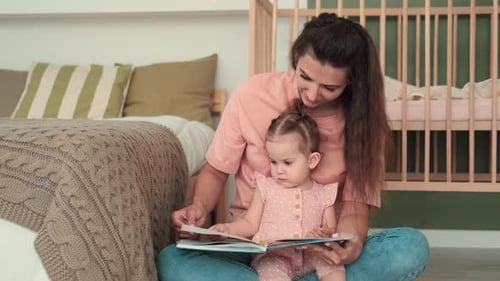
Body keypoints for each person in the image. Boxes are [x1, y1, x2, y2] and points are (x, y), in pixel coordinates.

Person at [157, 12, 430, 281]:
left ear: (351, 82)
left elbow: (355, 207)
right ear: (295, 59)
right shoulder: (252, 95)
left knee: (410, 247)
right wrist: (200, 207)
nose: (312, 95)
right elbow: (216, 169)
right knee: (172, 260)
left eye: (329, 88)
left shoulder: (364, 124)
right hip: (253, 244)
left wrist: (351, 246)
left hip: (320, 253)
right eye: (305, 77)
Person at [210, 100, 345, 281]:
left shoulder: (323, 193)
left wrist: (325, 234)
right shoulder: (266, 187)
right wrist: (226, 229)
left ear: (311, 160)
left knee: (333, 265)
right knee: (270, 272)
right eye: (273, 161)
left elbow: (330, 229)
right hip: (274, 257)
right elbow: (250, 223)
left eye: (287, 163)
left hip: (311, 255)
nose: (278, 170)